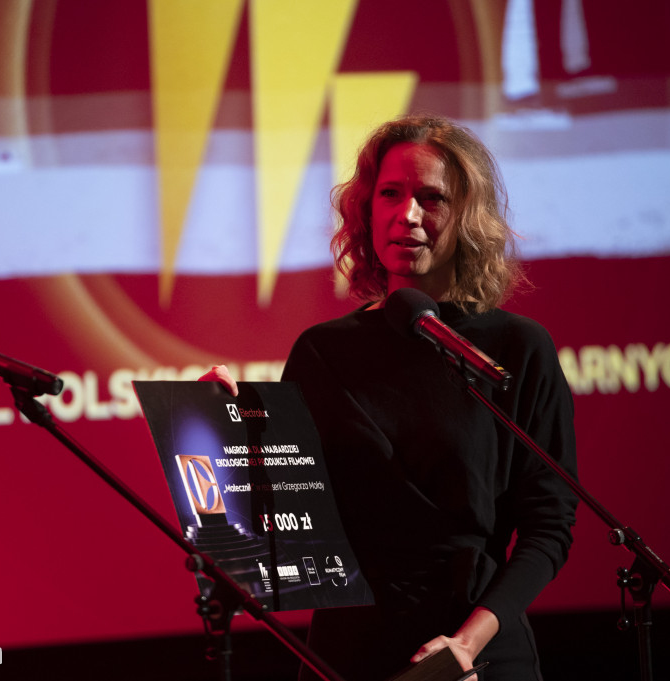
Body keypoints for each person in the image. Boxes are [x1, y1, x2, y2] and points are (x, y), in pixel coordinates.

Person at [203, 114, 578, 681]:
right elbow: (276, 522)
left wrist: (466, 644)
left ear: (468, 214)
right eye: (391, 194)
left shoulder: (518, 349)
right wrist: (224, 427)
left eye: (432, 198)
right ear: (367, 209)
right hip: (351, 653)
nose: (408, 215)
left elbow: (549, 525)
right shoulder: (322, 351)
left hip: (478, 652)